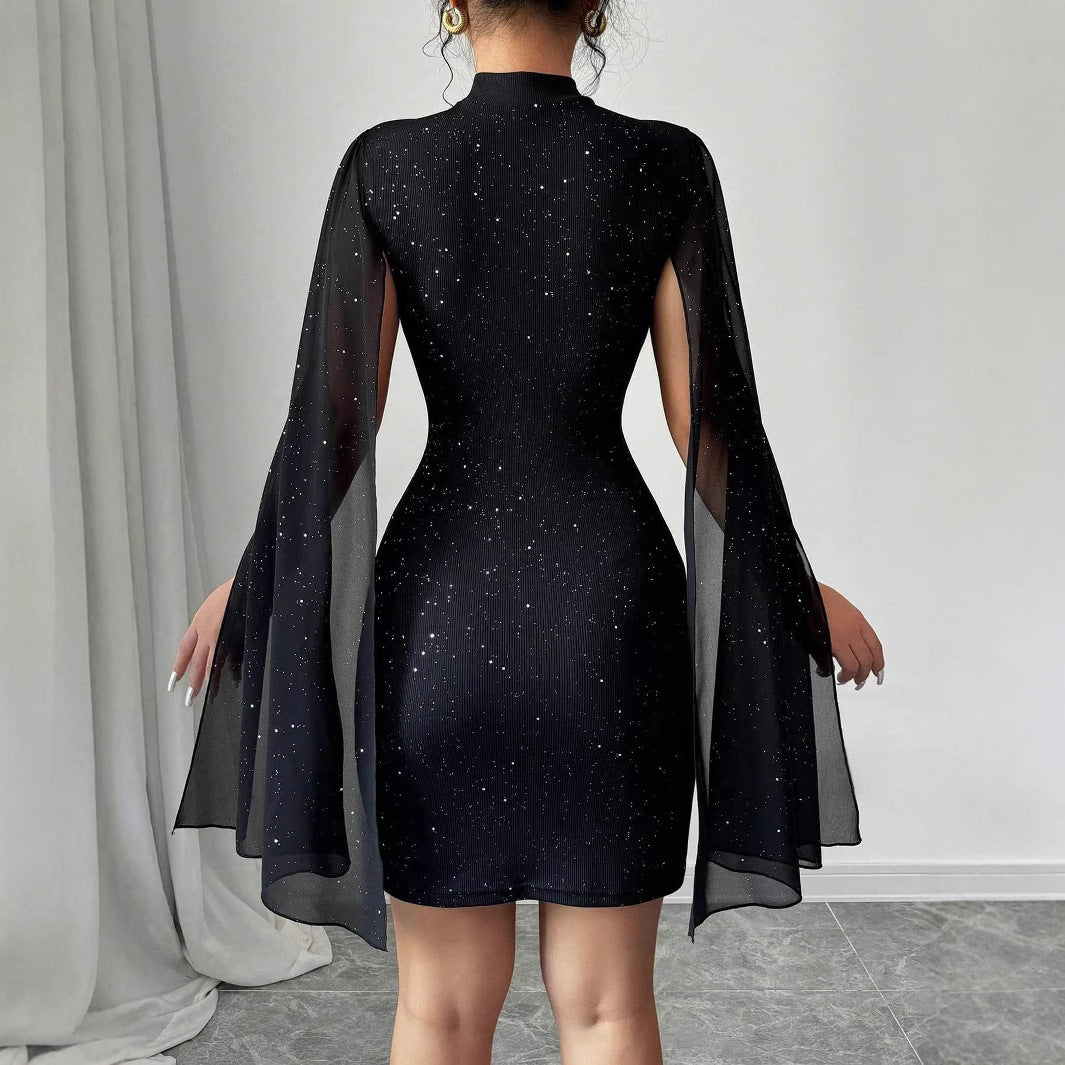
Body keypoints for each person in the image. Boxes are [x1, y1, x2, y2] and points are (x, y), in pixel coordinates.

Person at [168, 2, 885, 1062]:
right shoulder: (664, 164)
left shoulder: (386, 165)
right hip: (610, 620)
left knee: (438, 1011)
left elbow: (334, 424)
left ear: (452, 8)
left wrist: (256, 578)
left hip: (437, 621)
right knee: (607, 1008)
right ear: (595, 7)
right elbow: (708, 425)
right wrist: (794, 583)